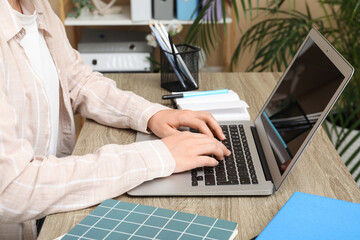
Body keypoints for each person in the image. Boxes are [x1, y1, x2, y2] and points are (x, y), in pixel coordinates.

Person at [0, 0, 230, 239]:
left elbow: (77, 80)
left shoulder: (37, 6)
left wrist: (151, 114)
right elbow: (11, 187)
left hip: (52, 205)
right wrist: (158, 155)